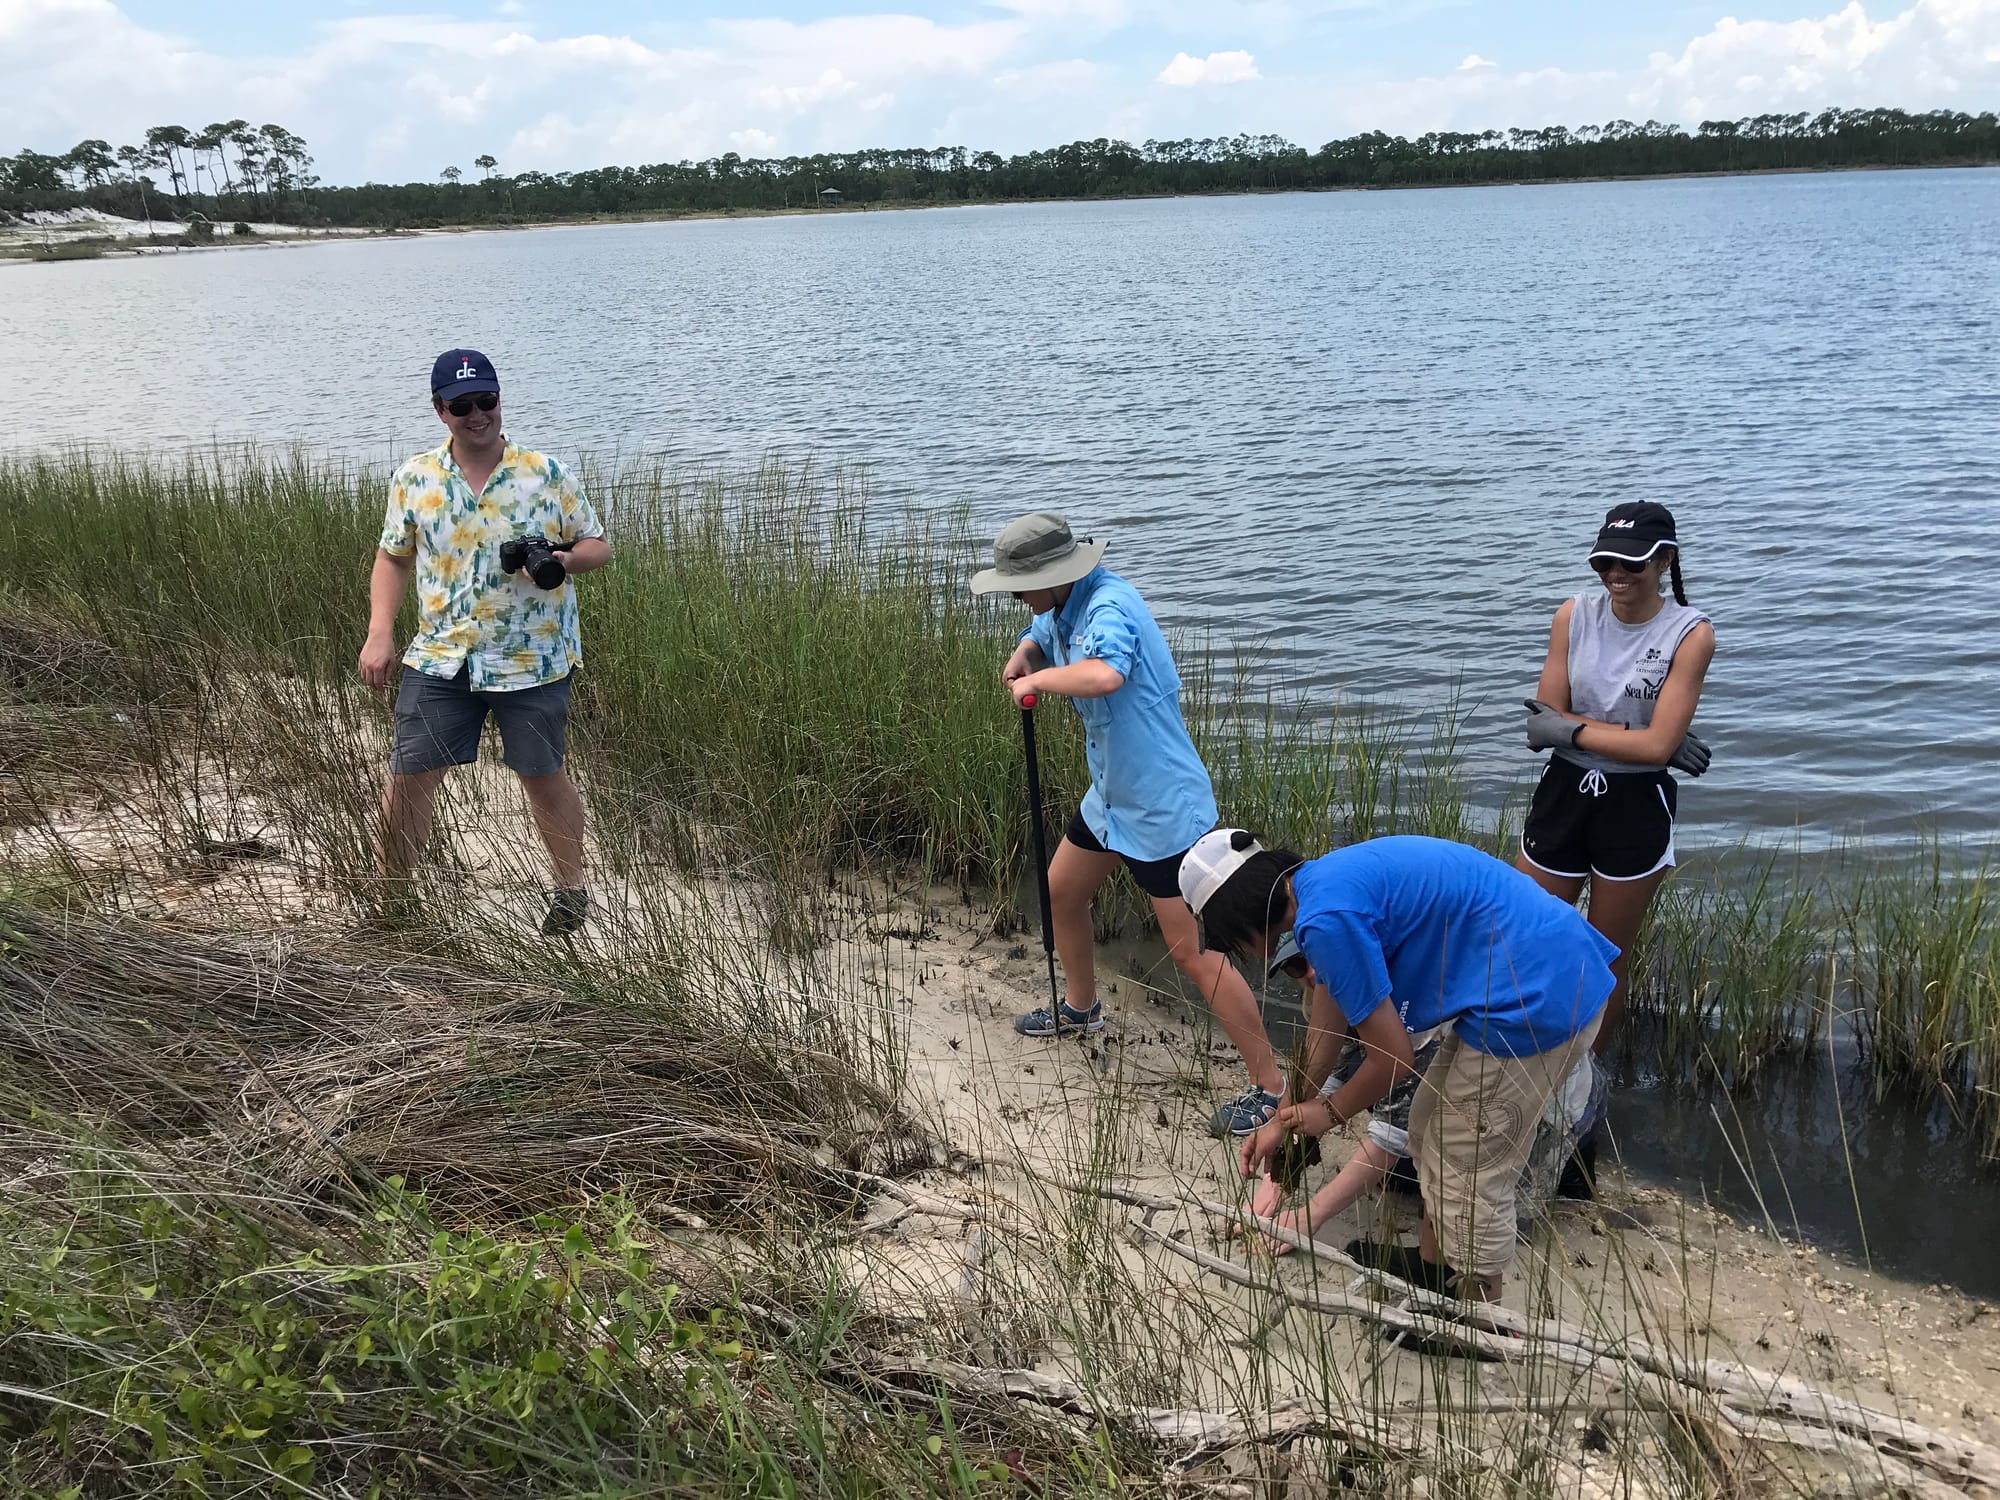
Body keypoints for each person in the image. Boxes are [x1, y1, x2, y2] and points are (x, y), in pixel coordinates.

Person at [1182, 830, 1614, 1302]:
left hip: (1538, 996)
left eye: (1224, 937)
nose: (1238, 950)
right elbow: (1324, 1037)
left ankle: (1480, 1314)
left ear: (1237, 913)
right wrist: (1280, 1123)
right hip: (1537, 972)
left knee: (1465, 1162)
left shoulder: (1326, 922)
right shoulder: (1319, 892)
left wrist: (1328, 1113)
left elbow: (1392, 1060)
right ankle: (1433, 1269)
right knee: (1427, 1123)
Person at [970, 512, 1286, 1136]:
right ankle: (1082, 1008)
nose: (1015, 598)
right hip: (1112, 797)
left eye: (1020, 586)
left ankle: (1271, 1087)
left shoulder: (1110, 605)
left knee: (1193, 952)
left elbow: (1104, 673)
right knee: (1062, 891)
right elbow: (1041, 630)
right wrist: (1026, 653)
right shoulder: (1062, 604)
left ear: (1056, 575)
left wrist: (1038, 681)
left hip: (1163, 807)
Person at [357, 348, 612, 935]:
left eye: (486, 400)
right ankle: (393, 901)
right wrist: (379, 632)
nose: (477, 414)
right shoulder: (414, 477)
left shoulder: (545, 473)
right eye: (462, 405)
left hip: (532, 657)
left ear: (500, 399)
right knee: (410, 775)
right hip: (441, 655)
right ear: (440, 410)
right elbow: (392, 557)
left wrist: (563, 561)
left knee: (541, 772)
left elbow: (598, 545)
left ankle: (571, 892)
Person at [1248, 935, 1608, 1279]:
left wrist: (1308, 1216)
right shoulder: (1340, 997)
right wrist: (1277, 1178)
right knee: (1404, 1177)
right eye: (1297, 967)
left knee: (1483, 1223)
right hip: (1496, 1088)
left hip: (1553, 1105)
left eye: (1315, 958)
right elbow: (1326, 1082)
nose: (1311, 973)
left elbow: (1391, 1135)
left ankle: (1571, 1158)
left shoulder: (1408, 1006)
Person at [1517, 500, 1715, 1056]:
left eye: (1632, 563)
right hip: (1564, 793)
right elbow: (1542, 723)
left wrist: (1577, 730)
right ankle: (1526, 1055)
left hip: (1636, 803)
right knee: (1526, 938)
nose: (1616, 575)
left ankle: (1585, 1079)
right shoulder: (1573, 615)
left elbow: (1648, 748)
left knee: (1604, 959)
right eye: (1605, 563)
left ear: (1665, 561)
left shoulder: (1690, 634)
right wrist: (1640, 737)